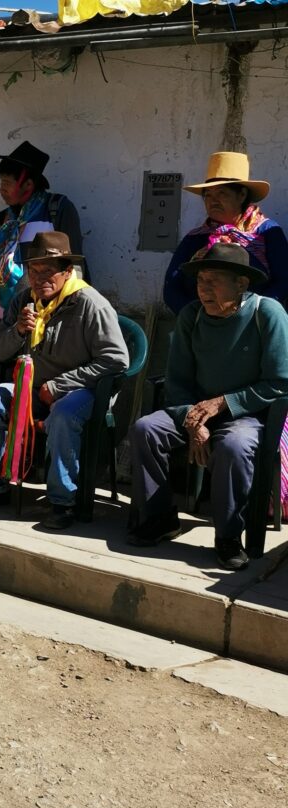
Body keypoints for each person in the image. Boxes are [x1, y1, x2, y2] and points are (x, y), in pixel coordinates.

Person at [130, 244, 288, 570]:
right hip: (196, 409)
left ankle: (228, 536)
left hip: (244, 414)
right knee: (146, 428)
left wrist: (222, 404)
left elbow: (280, 382)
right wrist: (192, 419)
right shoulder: (192, 316)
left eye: (214, 280)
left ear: (241, 284)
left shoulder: (267, 313)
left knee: (233, 445)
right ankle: (161, 518)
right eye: (201, 280)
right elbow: (177, 382)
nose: (204, 288)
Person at [0, 231, 128, 531]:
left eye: (48, 272)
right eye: (34, 272)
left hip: (82, 391)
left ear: (67, 272)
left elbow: (116, 360)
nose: (40, 280)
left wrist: (61, 385)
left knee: (64, 414)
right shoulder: (24, 301)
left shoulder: (90, 304)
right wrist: (17, 332)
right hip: (34, 389)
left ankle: (62, 502)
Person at [163, 151, 288, 314]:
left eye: (222, 193)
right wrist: (197, 319)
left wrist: (254, 314)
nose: (213, 200)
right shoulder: (195, 238)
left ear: (242, 195)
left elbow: (284, 281)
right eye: (208, 195)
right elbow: (171, 288)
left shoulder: (267, 232)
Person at [0, 142, 85, 336]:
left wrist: (71, 315)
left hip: (44, 313)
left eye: (7, 183)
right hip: (2, 315)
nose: (0, 189)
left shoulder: (57, 210)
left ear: (28, 184)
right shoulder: (3, 220)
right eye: (1, 182)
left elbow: (75, 264)